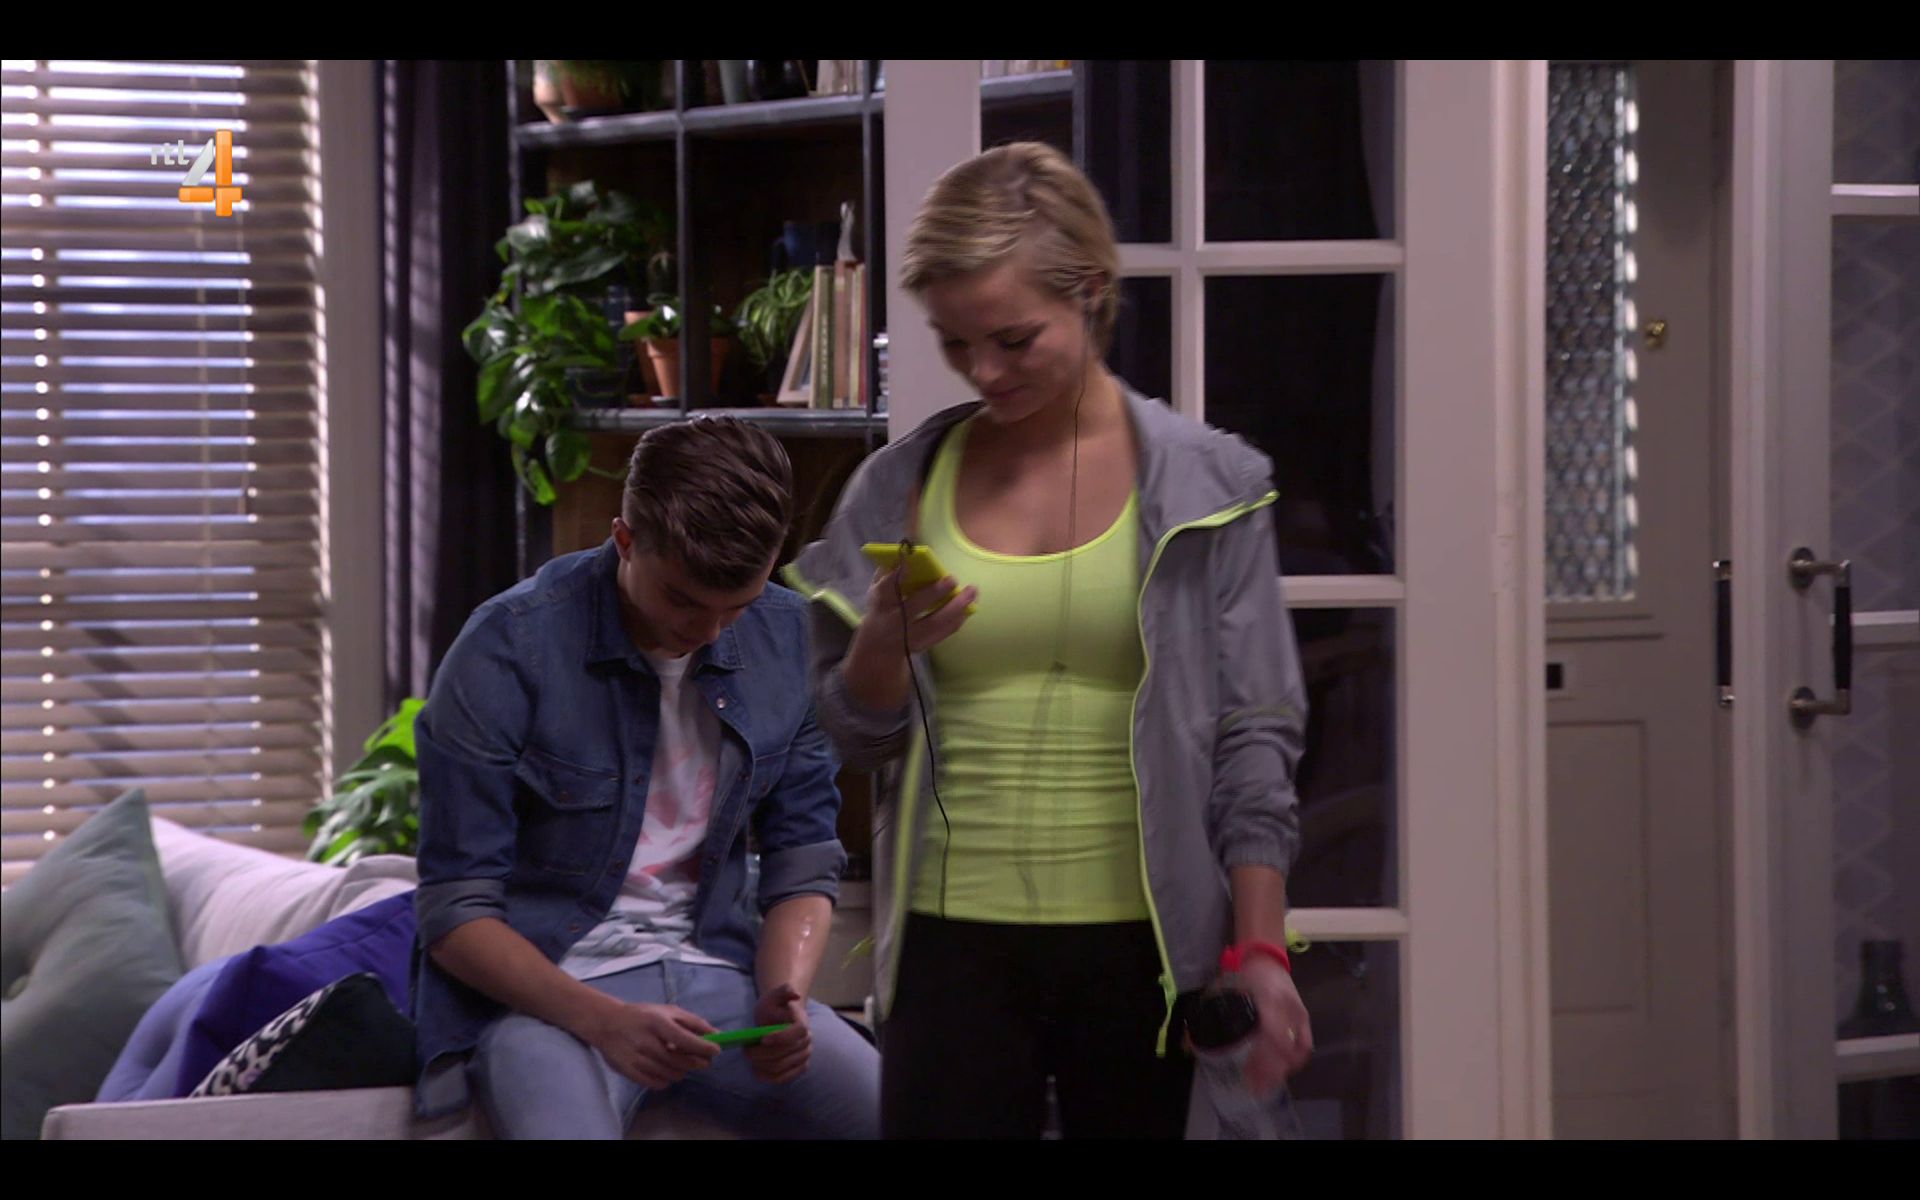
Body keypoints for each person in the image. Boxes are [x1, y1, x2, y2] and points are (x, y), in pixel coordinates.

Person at [786, 142, 1313, 1139]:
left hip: (1151, 951)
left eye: (1014, 339)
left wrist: (1260, 952)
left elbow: (1256, 736)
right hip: (948, 946)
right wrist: (881, 652)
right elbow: (853, 739)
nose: (984, 371)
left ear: (1092, 293)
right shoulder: (894, 491)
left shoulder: (1211, 487)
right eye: (955, 343)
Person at [410, 417, 879, 1139]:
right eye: (683, 600)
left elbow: (802, 857)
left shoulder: (787, 637)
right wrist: (605, 1021)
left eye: (738, 606)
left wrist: (783, 993)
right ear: (625, 540)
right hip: (549, 997)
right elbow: (454, 913)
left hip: (719, 974)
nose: (710, 632)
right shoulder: (509, 649)